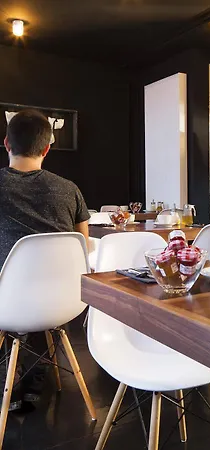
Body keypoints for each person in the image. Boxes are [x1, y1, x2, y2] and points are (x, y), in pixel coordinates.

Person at [0, 109, 90, 410]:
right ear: (47, 149)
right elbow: (83, 246)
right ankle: (35, 379)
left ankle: (7, 387)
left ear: (7, 144)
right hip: (63, 302)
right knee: (37, 299)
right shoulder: (70, 190)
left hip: (5, 303)